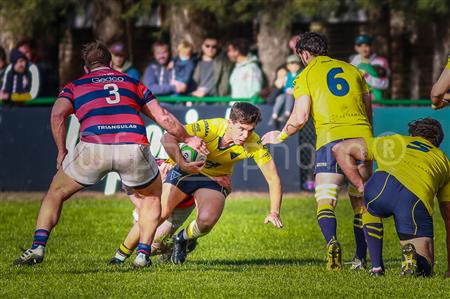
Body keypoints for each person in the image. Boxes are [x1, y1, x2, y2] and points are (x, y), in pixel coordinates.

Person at [12, 41, 207, 268]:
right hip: (133, 146)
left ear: (85, 67)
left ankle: (38, 246)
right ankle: (143, 254)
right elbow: (163, 117)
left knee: (55, 193)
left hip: (94, 146)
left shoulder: (75, 85)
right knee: (153, 197)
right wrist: (188, 138)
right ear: (111, 63)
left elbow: (57, 115)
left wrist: (62, 151)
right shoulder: (132, 83)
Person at [262, 32, 373, 271]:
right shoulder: (353, 70)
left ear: (303, 54)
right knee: (361, 200)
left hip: (331, 142)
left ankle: (332, 243)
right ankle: (360, 258)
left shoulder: (306, 75)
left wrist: (280, 135)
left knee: (325, 199)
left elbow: (300, 117)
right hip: (362, 140)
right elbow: (367, 107)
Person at [333, 118, 450, 277]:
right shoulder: (443, 159)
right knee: (425, 268)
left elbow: (339, 148)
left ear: (412, 133)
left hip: (381, 185)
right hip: (414, 198)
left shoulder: (394, 140)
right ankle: (414, 261)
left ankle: (377, 268)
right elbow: (448, 214)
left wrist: (360, 185)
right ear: (437, 141)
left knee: (369, 207)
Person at [109, 159, 199, 264]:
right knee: (140, 229)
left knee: (152, 248)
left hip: (180, 203)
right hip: (154, 194)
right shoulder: (142, 159)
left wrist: (173, 162)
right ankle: (121, 257)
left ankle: (182, 242)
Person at [349, 34, 390, 100]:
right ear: (355, 48)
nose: (363, 49)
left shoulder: (381, 62)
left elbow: (385, 84)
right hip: (358, 103)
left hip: (376, 103)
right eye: (360, 46)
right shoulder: (352, 63)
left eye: (366, 45)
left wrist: (366, 77)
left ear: (371, 46)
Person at [268, 55, 303, 126]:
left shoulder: (300, 74)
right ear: (288, 66)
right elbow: (283, 85)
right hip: (285, 93)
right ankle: (274, 115)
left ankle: (286, 113)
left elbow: (301, 85)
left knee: (289, 98)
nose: (294, 66)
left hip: (293, 95)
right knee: (280, 98)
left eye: (296, 63)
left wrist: (294, 90)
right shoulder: (287, 75)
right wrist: (280, 85)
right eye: (292, 64)